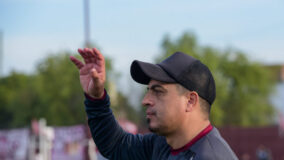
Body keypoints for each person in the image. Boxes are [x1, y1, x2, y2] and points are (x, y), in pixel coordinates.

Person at [70, 48, 238, 160]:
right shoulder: (162, 144)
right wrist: (96, 97)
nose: (145, 100)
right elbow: (115, 145)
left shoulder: (211, 156)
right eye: (148, 91)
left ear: (190, 101)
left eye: (158, 91)